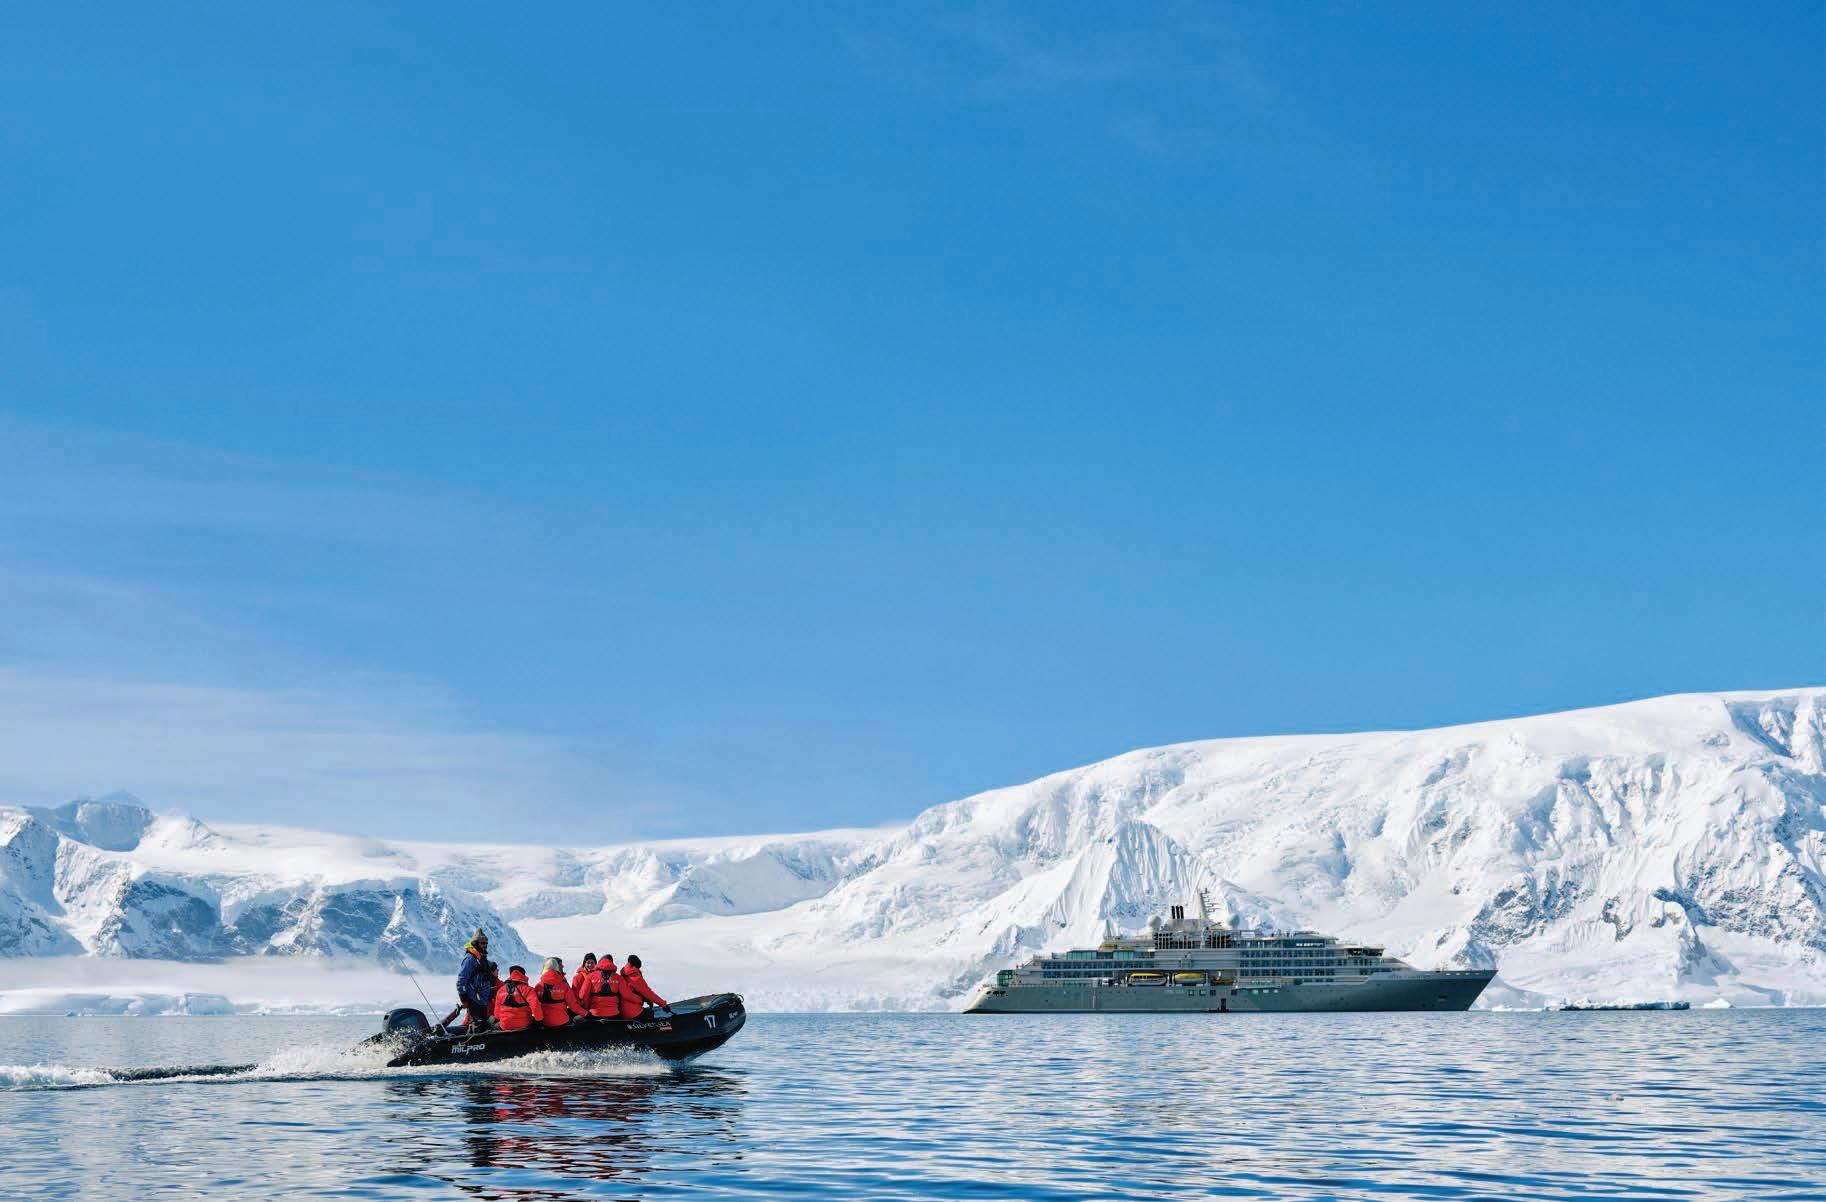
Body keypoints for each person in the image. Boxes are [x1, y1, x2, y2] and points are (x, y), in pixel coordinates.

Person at [456, 928, 499, 1029]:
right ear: (476, 943)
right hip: (474, 999)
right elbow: (461, 980)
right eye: (483, 943)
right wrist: (463, 998)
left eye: (486, 943)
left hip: (481, 1000)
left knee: (481, 1025)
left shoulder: (480, 958)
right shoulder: (470, 959)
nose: (485, 945)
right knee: (477, 1027)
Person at [534, 957, 586, 1027]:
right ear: (557, 967)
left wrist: (539, 1021)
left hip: (545, 1022)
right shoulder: (563, 984)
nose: (563, 966)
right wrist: (586, 1014)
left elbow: (535, 1006)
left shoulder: (538, 986)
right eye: (560, 965)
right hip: (562, 1020)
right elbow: (573, 1005)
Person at [491, 965, 545, 1032]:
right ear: (523, 975)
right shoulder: (528, 990)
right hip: (524, 1025)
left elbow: (497, 1014)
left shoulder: (501, 990)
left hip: (505, 1025)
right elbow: (536, 1006)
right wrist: (539, 1021)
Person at [617, 953, 669, 1019]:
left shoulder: (623, 975)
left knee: (646, 1011)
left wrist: (645, 999)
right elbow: (648, 993)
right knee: (650, 1013)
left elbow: (632, 992)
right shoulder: (634, 977)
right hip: (632, 1013)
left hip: (622, 1011)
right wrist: (663, 1004)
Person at [576, 952, 625, 1019]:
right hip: (613, 1013)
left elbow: (583, 995)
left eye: (592, 962)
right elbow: (626, 995)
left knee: (576, 1020)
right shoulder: (618, 977)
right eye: (588, 963)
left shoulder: (590, 976)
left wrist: (587, 1009)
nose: (590, 965)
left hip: (594, 1013)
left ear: (598, 963)